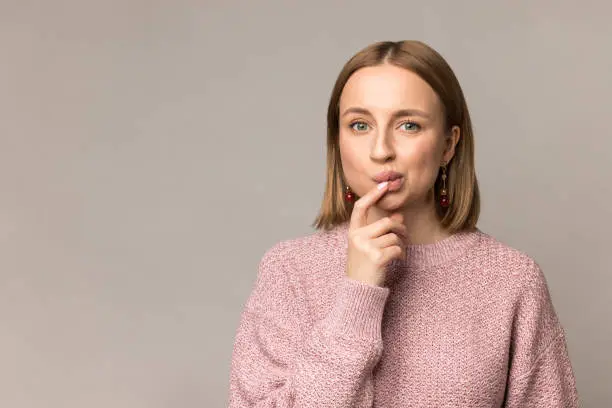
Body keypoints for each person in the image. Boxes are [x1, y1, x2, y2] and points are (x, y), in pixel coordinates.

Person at [227, 40, 579, 407]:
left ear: (448, 145)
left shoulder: (511, 280)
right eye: (359, 125)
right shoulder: (289, 272)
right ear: (338, 140)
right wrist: (358, 296)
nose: (381, 149)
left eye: (408, 125)